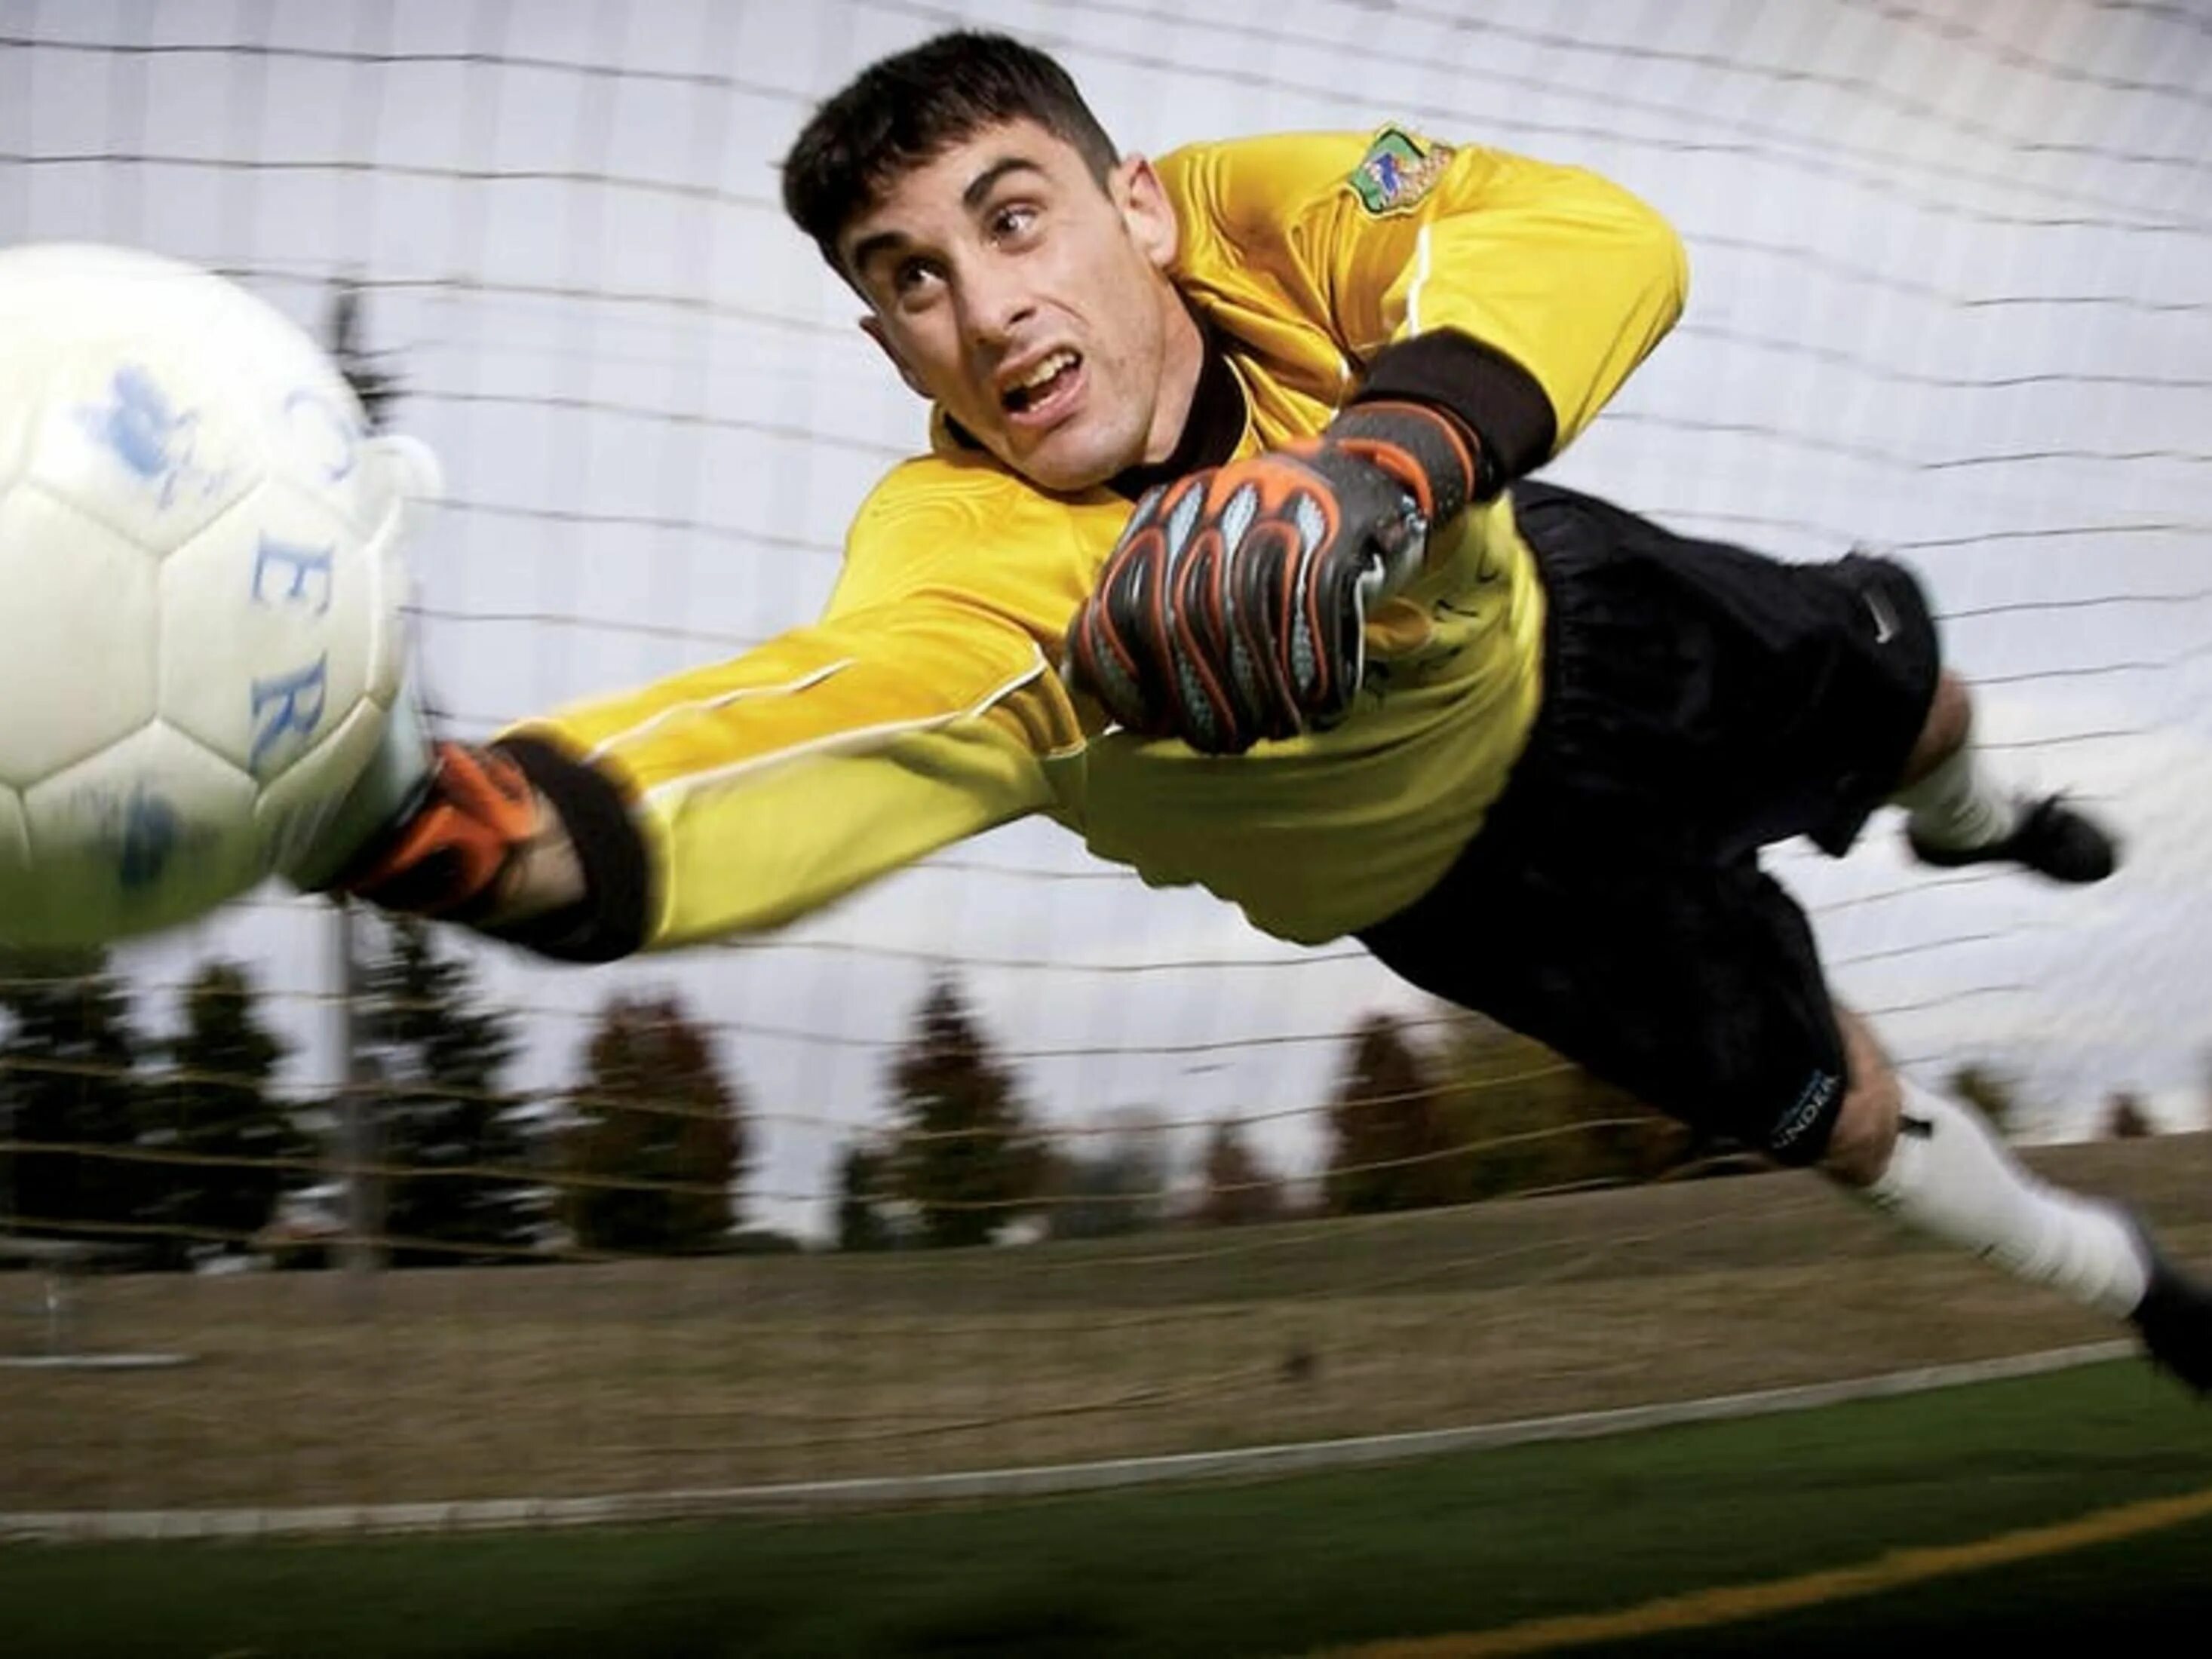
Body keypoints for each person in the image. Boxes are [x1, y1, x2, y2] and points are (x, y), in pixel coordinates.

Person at [317, 31, 2207, 1388]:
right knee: (1844, 1114)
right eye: (916, 280)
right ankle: (2131, 1283)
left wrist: (1377, 462)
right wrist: (477, 826)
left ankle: (1967, 816)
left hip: (1585, 620)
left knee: (1917, 686)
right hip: (1484, 891)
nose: (991, 306)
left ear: (1135, 207)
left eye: (1014, 218)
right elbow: (827, 722)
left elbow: (1583, 234)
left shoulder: (1276, 211)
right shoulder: (965, 553)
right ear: (889, 342)